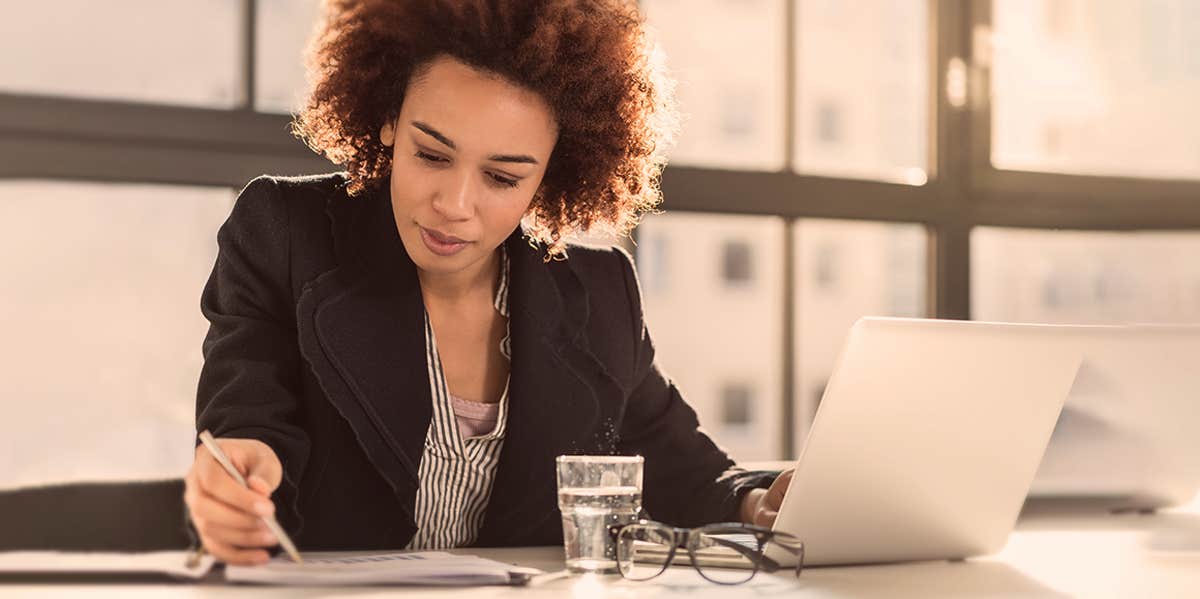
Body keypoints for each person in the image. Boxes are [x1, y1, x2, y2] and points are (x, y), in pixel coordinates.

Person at [184, 0, 792, 566]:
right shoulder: (286, 235)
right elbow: (248, 419)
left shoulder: (600, 290)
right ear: (390, 119)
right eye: (432, 155)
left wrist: (756, 502)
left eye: (502, 177)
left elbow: (680, 467)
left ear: (554, 174)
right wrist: (242, 470)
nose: (455, 204)